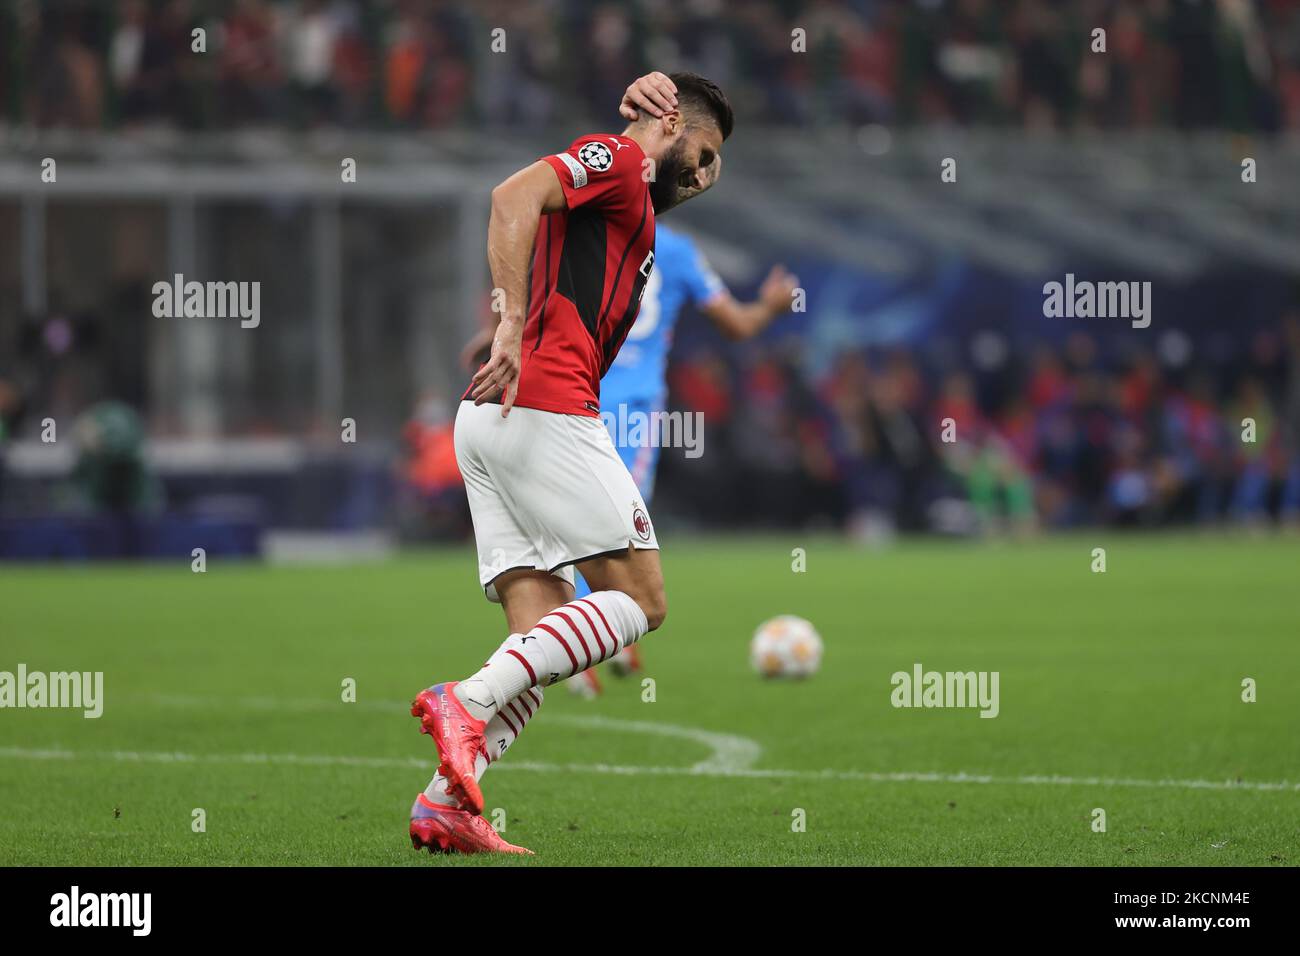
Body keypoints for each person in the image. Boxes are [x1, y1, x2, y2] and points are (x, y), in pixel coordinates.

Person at [409, 71, 734, 855]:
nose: (708, 173)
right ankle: (464, 699)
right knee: (643, 603)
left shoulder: (633, 216)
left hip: (493, 420)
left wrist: (511, 334)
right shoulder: (621, 162)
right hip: (545, 412)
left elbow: (554, 251)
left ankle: (443, 805)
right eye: (707, 149)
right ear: (670, 123)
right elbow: (512, 195)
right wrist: (512, 323)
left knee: (544, 639)